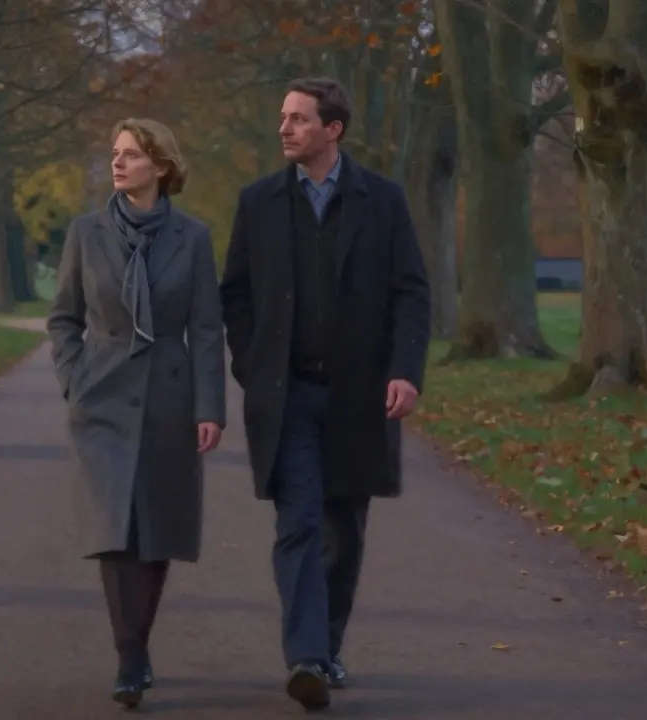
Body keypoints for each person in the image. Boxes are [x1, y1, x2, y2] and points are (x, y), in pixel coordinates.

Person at [219, 77, 431, 711]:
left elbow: (411, 293)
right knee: (299, 523)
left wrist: (405, 370)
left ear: (332, 129)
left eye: (298, 119)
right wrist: (253, 365)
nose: (283, 128)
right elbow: (236, 293)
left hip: (359, 397)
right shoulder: (257, 203)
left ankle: (328, 646)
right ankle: (306, 656)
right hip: (287, 396)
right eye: (282, 117)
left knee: (344, 529)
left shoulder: (383, 202)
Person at [47, 118, 227, 709]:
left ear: (162, 167)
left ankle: (138, 644)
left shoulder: (193, 238)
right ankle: (130, 656)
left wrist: (209, 407)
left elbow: (204, 329)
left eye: (131, 155)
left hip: (169, 400)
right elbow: (64, 318)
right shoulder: (86, 232)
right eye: (114, 154)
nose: (118, 164)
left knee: (156, 531)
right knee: (114, 531)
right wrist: (75, 380)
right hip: (100, 399)